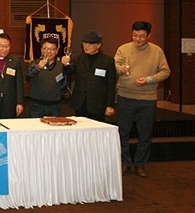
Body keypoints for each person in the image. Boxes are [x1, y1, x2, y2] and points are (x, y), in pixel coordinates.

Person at [114, 21, 170, 177]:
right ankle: (125, 162)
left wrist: (149, 79)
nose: (137, 39)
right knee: (123, 132)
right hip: (125, 97)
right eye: (135, 35)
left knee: (145, 134)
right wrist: (120, 69)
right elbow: (115, 65)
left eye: (142, 36)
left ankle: (140, 164)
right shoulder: (123, 49)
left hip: (147, 99)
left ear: (149, 35)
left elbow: (165, 71)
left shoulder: (157, 51)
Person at [62, 30, 116, 123]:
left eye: (90, 44)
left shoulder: (107, 61)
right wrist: (66, 65)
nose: (86, 46)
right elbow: (69, 72)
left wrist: (110, 105)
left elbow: (111, 85)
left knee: (96, 129)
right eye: (84, 43)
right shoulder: (78, 59)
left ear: (98, 45)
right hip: (80, 102)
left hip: (98, 105)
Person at [26, 37, 65, 118]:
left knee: (55, 126)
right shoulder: (35, 63)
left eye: (52, 49)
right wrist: (38, 67)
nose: (48, 51)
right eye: (46, 48)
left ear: (57, 51)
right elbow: (28, 75)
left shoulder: (61, 66)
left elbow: (64, 84)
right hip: (37, 105)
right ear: (41, 50)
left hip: (55, 106)